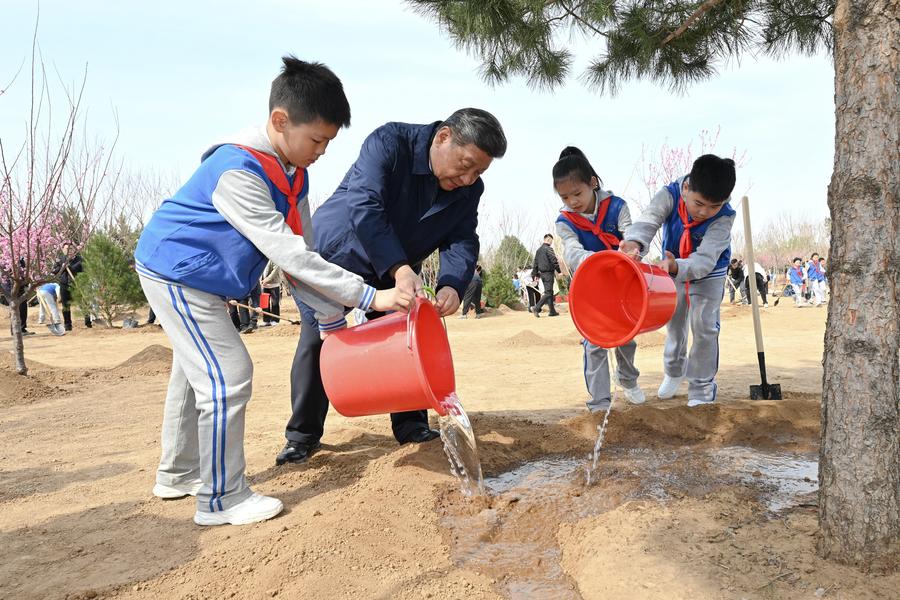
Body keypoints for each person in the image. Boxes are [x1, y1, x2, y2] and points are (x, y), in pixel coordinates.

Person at [132, 56, 409, 526]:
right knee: (227, 375)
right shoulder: (237, 170)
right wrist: (367, 297)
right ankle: (221, 498)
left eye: (329, 141)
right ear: (280, 121)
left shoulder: (293, 173)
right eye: (316, 139)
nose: (322, 150)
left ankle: (178, 474)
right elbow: (289, 255)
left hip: (199, 277)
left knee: (194, 371)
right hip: (174, 271)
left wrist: (331, 317)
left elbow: (303, 252)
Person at [279, 107, 507, 465]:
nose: (468, 178)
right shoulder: (390, 143)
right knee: (319, 338)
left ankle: (411, 427)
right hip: (341, 253)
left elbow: (462, 239)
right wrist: (400, 268)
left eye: (478, 171)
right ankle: (302, 436)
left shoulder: (469, 189)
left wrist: (451, 284)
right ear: (444, 137)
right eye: (465, 165)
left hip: (397, 266)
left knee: (407, 339)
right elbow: (365, 206)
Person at [620, 154, 737, 407]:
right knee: (674, 323)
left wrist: (677, 266)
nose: (704, 212)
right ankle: (674, 371)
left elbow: (705, 260)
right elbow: (649, 220)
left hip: (708, 271)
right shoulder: (670, 194)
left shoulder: (724, 216)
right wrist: (634, 243)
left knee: (705, 327)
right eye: (699, 204)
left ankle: (701, 389)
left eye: (713, 206)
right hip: (670, 266)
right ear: (686, 188)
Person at [552, 146, 645, 410]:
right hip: (590, 287)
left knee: (627, 337)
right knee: (594, 343)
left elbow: (632, 236)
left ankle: (628, 379)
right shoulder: (565, 221)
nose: (572, 201)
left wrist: (631, 248)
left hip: (622, 284)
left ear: (592, 183)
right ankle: (600, 402)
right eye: (565, 196)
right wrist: (599, 261)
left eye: (577, 193)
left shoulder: (617, 207)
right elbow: (572, 251)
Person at [55, 243, 92, 331]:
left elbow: (85, 271)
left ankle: (88, 322)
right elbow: (55, 271)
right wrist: (63, 267)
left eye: (70, 249)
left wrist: (71, 268)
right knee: (65, 305)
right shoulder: (60, 260)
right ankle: (68, 325)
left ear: (74, 250)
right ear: (63, 250)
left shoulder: (80, 259)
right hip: (64, 284)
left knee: (83, 304)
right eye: (66, 249)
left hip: (77, 284)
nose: (68, 251)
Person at [531, 234, 560, 317]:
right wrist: (559, 271)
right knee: (548, 292)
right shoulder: (549, 249)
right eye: (551, 240)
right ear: (548, 239)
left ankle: (552, 311)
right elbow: (554, 260)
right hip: (548, 274)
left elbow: (535, 263)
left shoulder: (538, 250)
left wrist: (535, 274)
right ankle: (536, 308)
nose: (551, 242)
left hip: (542, 275)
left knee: (550, 292)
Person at [260, 260, 284, 325]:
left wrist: (267, 280)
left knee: (275, 303)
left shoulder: (273, 259)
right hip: (263, 285)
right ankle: (266, 320)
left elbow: (275, 271)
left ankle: (275, 320)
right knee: (264, 304)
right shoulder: (261, 259)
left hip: (274, 284)